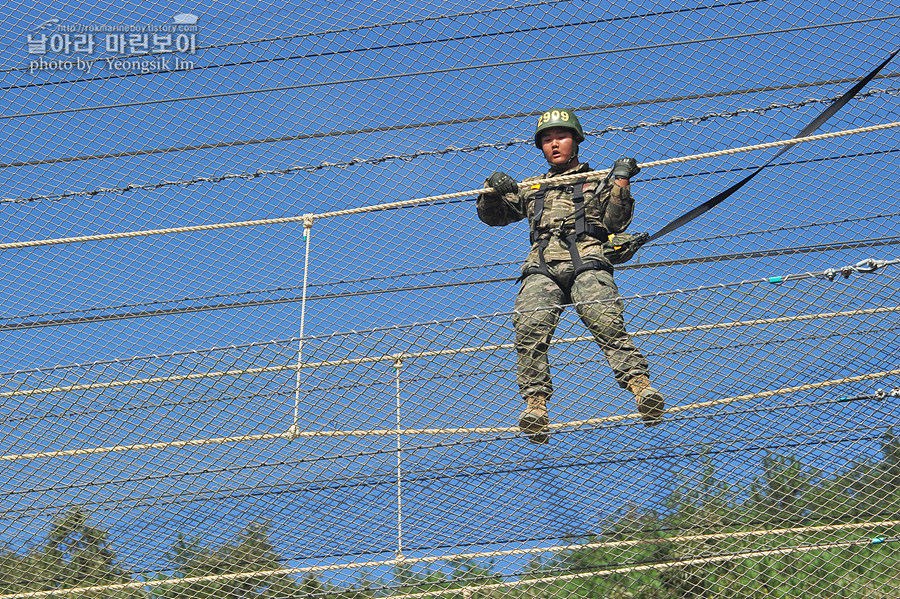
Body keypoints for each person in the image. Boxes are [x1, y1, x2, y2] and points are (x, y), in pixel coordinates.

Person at [476, 107, 664, 443]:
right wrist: (492, 189)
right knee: (529, 327)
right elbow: (493, 217)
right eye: (547, 140)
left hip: (587, 258)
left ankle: (641, 387)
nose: (554, 144)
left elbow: (616, 222)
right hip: (543, 265)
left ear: (575, 141)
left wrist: (621, 180)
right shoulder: (533, 188)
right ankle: (536, 406)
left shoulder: (597, 181)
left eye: (560, 137)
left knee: (605, 321)